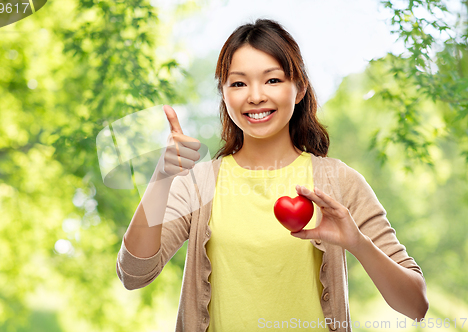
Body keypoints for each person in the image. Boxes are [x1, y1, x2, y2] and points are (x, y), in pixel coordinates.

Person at [116, 19, 428, 332]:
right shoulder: (199, 184)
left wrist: (358, 243)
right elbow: (133, 274)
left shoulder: (338, 181)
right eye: (238, 84)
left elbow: (415, 305)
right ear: (224, 94)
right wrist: (162, 178)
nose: (255, 96)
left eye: (272, 80)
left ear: (299, 88)